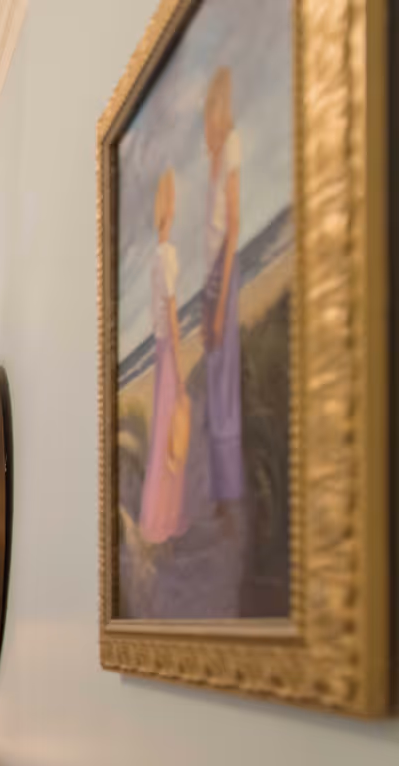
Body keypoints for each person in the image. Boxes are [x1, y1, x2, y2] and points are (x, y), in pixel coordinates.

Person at [139, 168, 190, 543]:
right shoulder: (167, 255)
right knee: (172, 430)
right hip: (167, 349)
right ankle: (163, 519)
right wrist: (180, 365)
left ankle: (161, 517)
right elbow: (171, 311)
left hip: (159, 350)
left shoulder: (156, 257)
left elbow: (158, 313)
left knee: (163, 432)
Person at [202, 66, 245, 513]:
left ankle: (230, 494)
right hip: (212, 279)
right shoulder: (215, 162)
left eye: (208, 118)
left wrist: (218, 307)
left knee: (225, 385)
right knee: (215, 387)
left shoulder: (231, 148)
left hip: (224, 274)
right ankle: (221, 493)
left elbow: (233, 229)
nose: (205, 130)